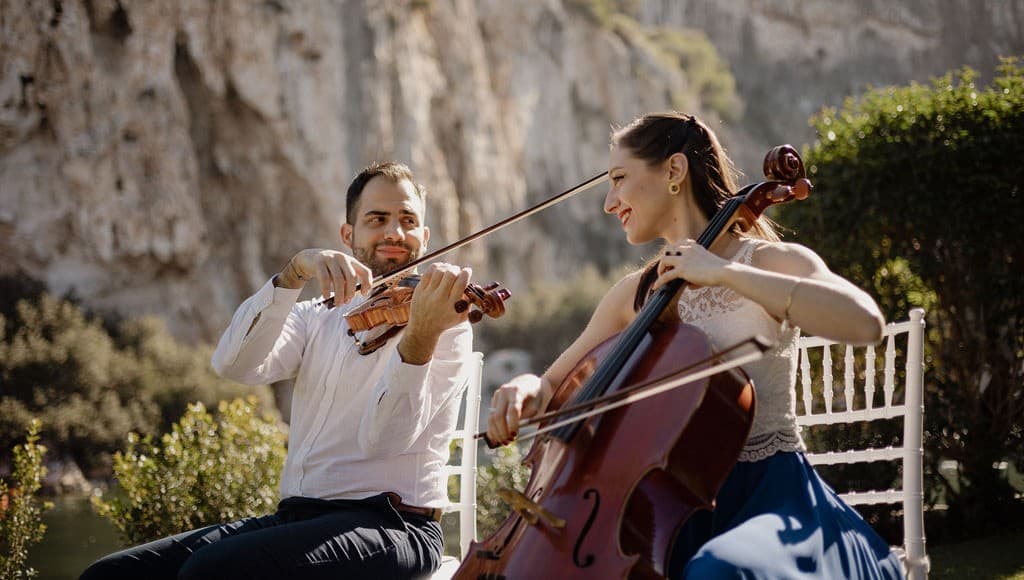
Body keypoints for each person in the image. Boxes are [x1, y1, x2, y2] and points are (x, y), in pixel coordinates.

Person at [486, 112, 904, 579]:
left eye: (619, 179)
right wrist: (522, 388)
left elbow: (865, 323)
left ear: (673, 171)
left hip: (774, 499)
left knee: (715, 571)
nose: (609, 202)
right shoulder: (636, 293)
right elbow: (553, 387)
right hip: (665, 511)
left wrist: (723, 273)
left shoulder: (767, 260)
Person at [82, 162, 476, 579]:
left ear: (425, 237)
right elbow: (234, 363)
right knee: (112, 574)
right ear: (349, 235)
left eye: (408, 220)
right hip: (299, 517)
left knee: (210, 572)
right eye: (377, 219)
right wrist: (293, 275)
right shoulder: (317, 314)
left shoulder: (445, 324)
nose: (395, 232)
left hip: (396, 526)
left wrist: (421, 334)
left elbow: (384, 440)